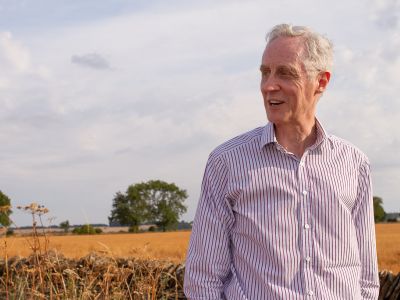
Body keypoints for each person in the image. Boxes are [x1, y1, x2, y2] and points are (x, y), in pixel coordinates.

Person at [184, 24, 379, 299]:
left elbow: (366, 278)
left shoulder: (354, 163)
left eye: (285, 73)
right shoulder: (226, 162)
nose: (268, 86)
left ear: (321, 82)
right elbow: (203, 278)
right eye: (265, 73)